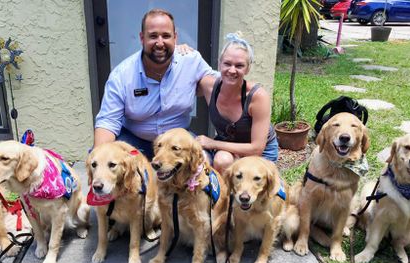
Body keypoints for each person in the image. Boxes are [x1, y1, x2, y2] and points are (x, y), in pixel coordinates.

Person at [94, 9, 213, 159]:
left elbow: (219, 85)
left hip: (177, 140)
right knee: (118, 169)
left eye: (166, 36)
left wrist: (249, 90)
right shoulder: (122, 75)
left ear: (175, 38)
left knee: (204, 162)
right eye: (153, 36)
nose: (160, 43)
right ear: (142, 38)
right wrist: (100, 159)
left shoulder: (190, 61)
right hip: (135, 141)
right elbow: (108, 122)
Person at [196, 32, 278, 173]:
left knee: (249, 183)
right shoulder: (208, 86)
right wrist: (182, 50)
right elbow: (182, 78)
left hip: (260, 153)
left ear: (247, 68)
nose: (232, 70)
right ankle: (225, 195)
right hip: (228, 150)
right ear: (219, 63)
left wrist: (212, 143)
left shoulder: (257, 97)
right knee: (221, 161)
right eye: (227, 63)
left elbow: (257, 148)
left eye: (239, 65)